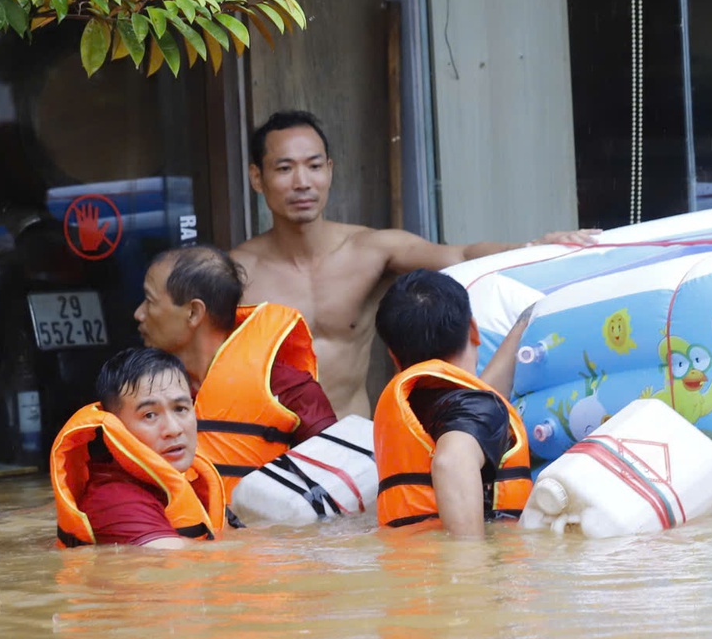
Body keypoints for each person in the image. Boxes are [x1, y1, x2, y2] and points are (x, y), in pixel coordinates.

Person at [231, 109, 599, 418]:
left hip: (354, 445)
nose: (302, 182)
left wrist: (531, 246)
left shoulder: (369, 250)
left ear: (329, 169)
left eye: (313, 166)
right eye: (284, 169)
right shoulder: (238, 272)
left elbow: (460, 254)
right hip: (273, 454)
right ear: (256, 178)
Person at [133, 245, 335, 507]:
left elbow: (341, 494)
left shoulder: (286, 389)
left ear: (193, 313)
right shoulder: (139, 392)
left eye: (149, 301)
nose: (138, 314)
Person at [371, 270, 535, 534]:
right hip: (462, 569)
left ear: (393, 356)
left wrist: (521, 330)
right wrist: (468, 566)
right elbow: (451, 461)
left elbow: (476, 410)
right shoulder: (473, 409)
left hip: (406, 566)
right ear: (473, 329)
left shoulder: (416, 404)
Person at [48, 347, 224, 548]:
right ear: (116, 426)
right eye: (149, 415)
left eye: (180, 409)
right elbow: (181, 565)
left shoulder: (184, 480)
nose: (174, 429)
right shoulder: (114, 501)